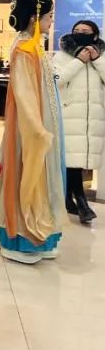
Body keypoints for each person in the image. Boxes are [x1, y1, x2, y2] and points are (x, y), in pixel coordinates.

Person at [0, 0, 65, 264]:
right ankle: (21, 238)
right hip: (29, 127)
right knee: (27, 174)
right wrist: (37, 129)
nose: (51, 22)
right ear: (36, 19)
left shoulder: (33, 47)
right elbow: (24, 95)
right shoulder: (24, 49)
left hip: (41, 122)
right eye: (49, 17)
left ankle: (42, 238)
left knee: (41, 179)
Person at [56, 20, 105, 224]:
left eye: (85, 31)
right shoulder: (61, 56)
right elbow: (56, 80)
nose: (80, 33)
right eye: (76, 31)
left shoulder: (101, 56)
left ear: (94, 35)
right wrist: (78, 61)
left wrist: (97, 60)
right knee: (72, 160)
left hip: (91, 118)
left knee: (79, 161)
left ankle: (68, 199)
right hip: (68, 115)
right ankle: (82, 203)